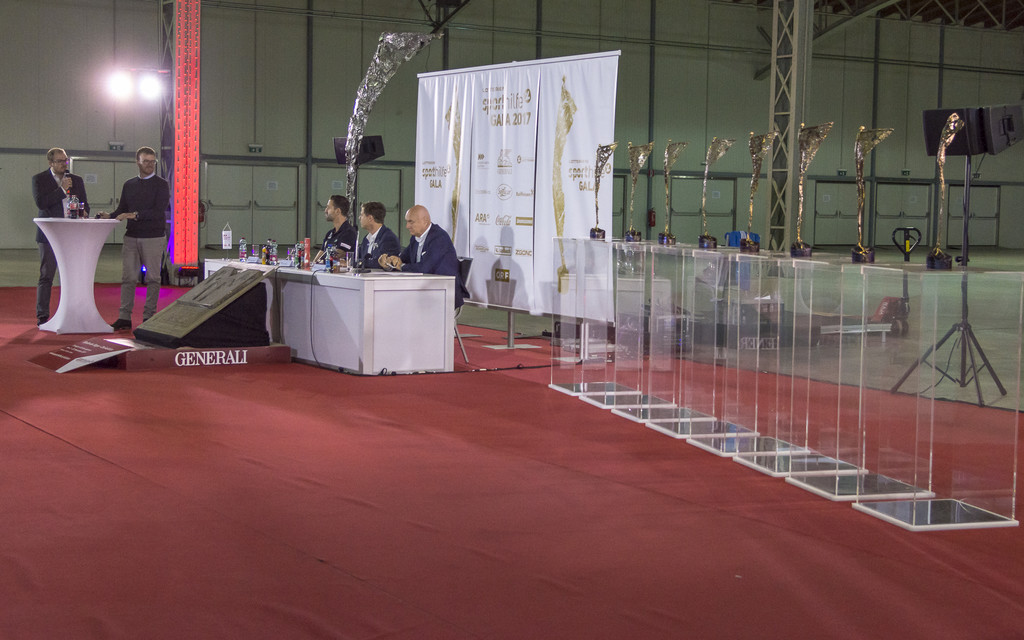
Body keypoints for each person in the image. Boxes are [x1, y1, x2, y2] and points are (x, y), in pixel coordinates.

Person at [99, 146, 170, 331]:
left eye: (153, 161)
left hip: (153, 236)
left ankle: (149, 317)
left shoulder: (161, 184)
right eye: (146, 161)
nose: (150, 165)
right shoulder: (129, 185)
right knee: (128, 278)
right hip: (131, 236)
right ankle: (124, 317)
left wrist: (134, 215)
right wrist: (109, 215)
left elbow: (158, 211)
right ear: (137, 162)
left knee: (153, 278)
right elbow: (122, 209)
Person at [31, 147, 89, 326]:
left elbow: (84, 203)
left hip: (71, 234)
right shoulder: (39, 179)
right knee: (47, 275)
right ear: (50, 163)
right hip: (49, 235)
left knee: (72, 275)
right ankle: (42, 315)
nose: (64, 164)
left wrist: (84, 211)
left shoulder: (76, 180)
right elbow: (41, 203)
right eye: (60, 161)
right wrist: (62, 190)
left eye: (65, 160)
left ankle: (73, 311)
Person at [379, 204, 468, 308]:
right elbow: (402, 259)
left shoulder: (439, 238)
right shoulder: (415, 238)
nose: (407, 226)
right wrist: (389, 262)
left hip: (444, 295)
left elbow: (425, 268)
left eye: (411, 222)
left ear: (425, 221)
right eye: (407, 222)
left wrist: (400, 266)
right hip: (424, 292)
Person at [355, 201, 400, 270]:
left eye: (362, 215)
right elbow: (356, 258)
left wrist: (361, 262)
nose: (359, 217)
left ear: (370, 218)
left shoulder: (388, 238)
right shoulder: (366, 239)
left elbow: (380, 263)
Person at [321, 194, 357, 259]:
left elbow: (337, 255)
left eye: (328, 207)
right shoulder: (330, 233)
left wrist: (321, 261)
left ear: (338, 211)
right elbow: (320, 254)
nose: (325, 210)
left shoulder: (349, 232)